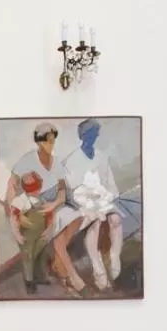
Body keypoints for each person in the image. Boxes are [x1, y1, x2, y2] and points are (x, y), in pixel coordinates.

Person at [3, 122, 86, 295]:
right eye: (47, 140)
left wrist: (55, 204)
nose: (51, 144)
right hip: (35, 206)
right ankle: (56, 271)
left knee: (78, 216)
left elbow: (62, 191)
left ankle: (58, 262)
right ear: (39, 141)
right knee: (38, 243)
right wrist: (15, 213)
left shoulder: (57, 162)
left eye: (52, 140)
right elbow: (11, 185)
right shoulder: (28, 159)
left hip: (56, 203)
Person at [63, 117, 125, 291]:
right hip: (83, 202)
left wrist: (111, 196)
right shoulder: (72, 160)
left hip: (102, 199)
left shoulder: (100, 156)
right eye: (90, 134)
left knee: (116, 220)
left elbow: (109, 182)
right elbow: (72, 190)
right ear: (83, 135)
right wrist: (87, 202)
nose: (94, 137)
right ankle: (98, 270)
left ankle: (114, 257)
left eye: (95, 134)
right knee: (95, 223)